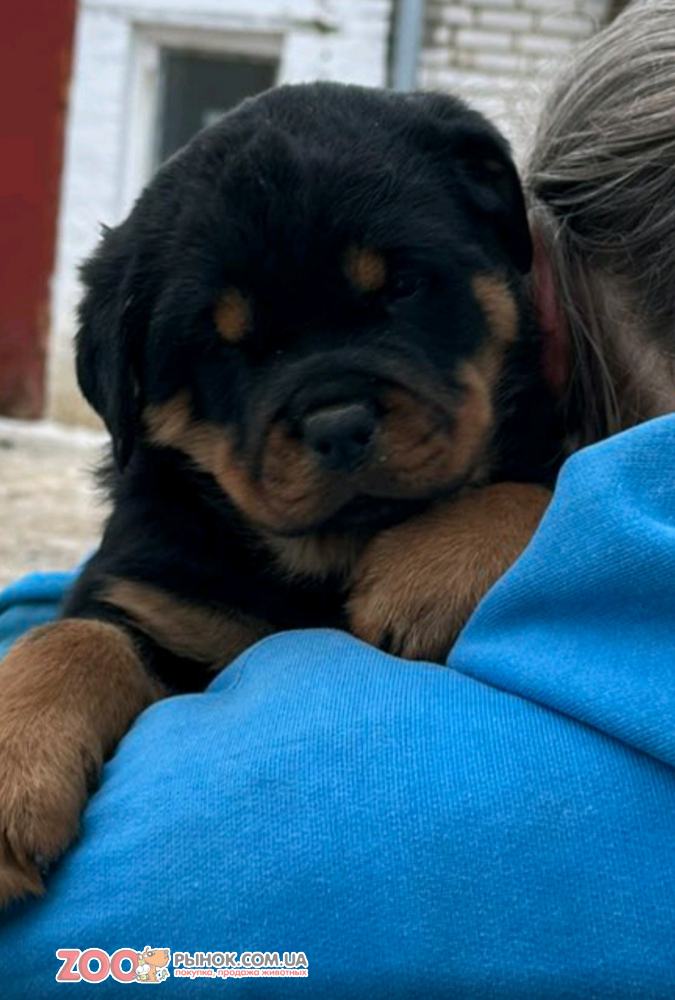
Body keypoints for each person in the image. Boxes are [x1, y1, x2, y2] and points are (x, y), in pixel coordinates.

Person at [2, 2, 675, 996]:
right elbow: (120, 625)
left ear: (515, 253)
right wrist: (57, 671)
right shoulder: (174, 548)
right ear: (131, 391)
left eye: (398, 294)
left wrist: (525, 519)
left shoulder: (569, 482)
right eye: (234, 355)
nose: (338, 420)